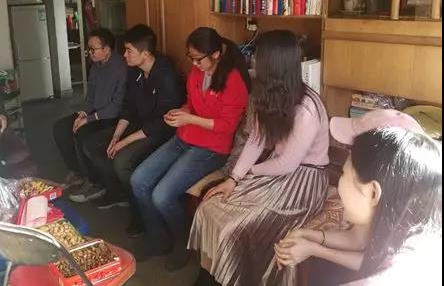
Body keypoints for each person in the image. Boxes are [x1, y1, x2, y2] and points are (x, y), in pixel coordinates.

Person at [189, 30, 330, 286]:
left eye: (258, 57)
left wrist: (249, 173)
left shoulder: (307, 108)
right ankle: (210, 275)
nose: (253, 61)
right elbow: (256, 139)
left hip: (303, 180)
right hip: (275, 170)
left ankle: (231, 278)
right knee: (210, 207)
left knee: (235, 225)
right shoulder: (266, 94)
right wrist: (233, 178)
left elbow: (287, 164)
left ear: (272, 64)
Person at [275, 109, 441, 286]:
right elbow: (362, 244)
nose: (339, 185)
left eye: (344, 173)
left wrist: (314, 248)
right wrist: (310, 239)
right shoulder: (408, 213)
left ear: (373, 192)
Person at [130, 27, 250, 269]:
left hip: (211, 148)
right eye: (191, 57)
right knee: (138, 179)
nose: (194, 64)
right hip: (184, 138)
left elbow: (227, 126)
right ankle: (158, 237)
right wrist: (181, 112)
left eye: (198, 59)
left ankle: (183, 241)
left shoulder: (233, 80)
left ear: (216, 54)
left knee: (162, 196)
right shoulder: (197, 72)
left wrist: (190, 119)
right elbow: (191, 103)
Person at [82, 24, 185, 236]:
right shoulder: (134, 71)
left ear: (145, 54)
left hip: (162, 132)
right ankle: (123, 193)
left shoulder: (166, 76)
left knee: (122, 160)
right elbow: (128, 106)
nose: (124, 55)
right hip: (140, 125)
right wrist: (117, 135)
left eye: (129, 50)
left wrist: (124, 142)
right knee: (93, 144)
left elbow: (161, 123)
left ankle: (140, 213)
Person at [53, 28, 127, 201]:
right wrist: (82, 114)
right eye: (89, 49)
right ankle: (78, 173)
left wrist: (89, 119)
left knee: (83, 133)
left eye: (93, 49)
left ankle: (95, 183)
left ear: (107, 49)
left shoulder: (121, 68)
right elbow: (90, 97)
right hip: (94, 113)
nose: (90, 53)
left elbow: (116, 107)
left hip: (111, 117)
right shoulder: (95, 66)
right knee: (61, 128)